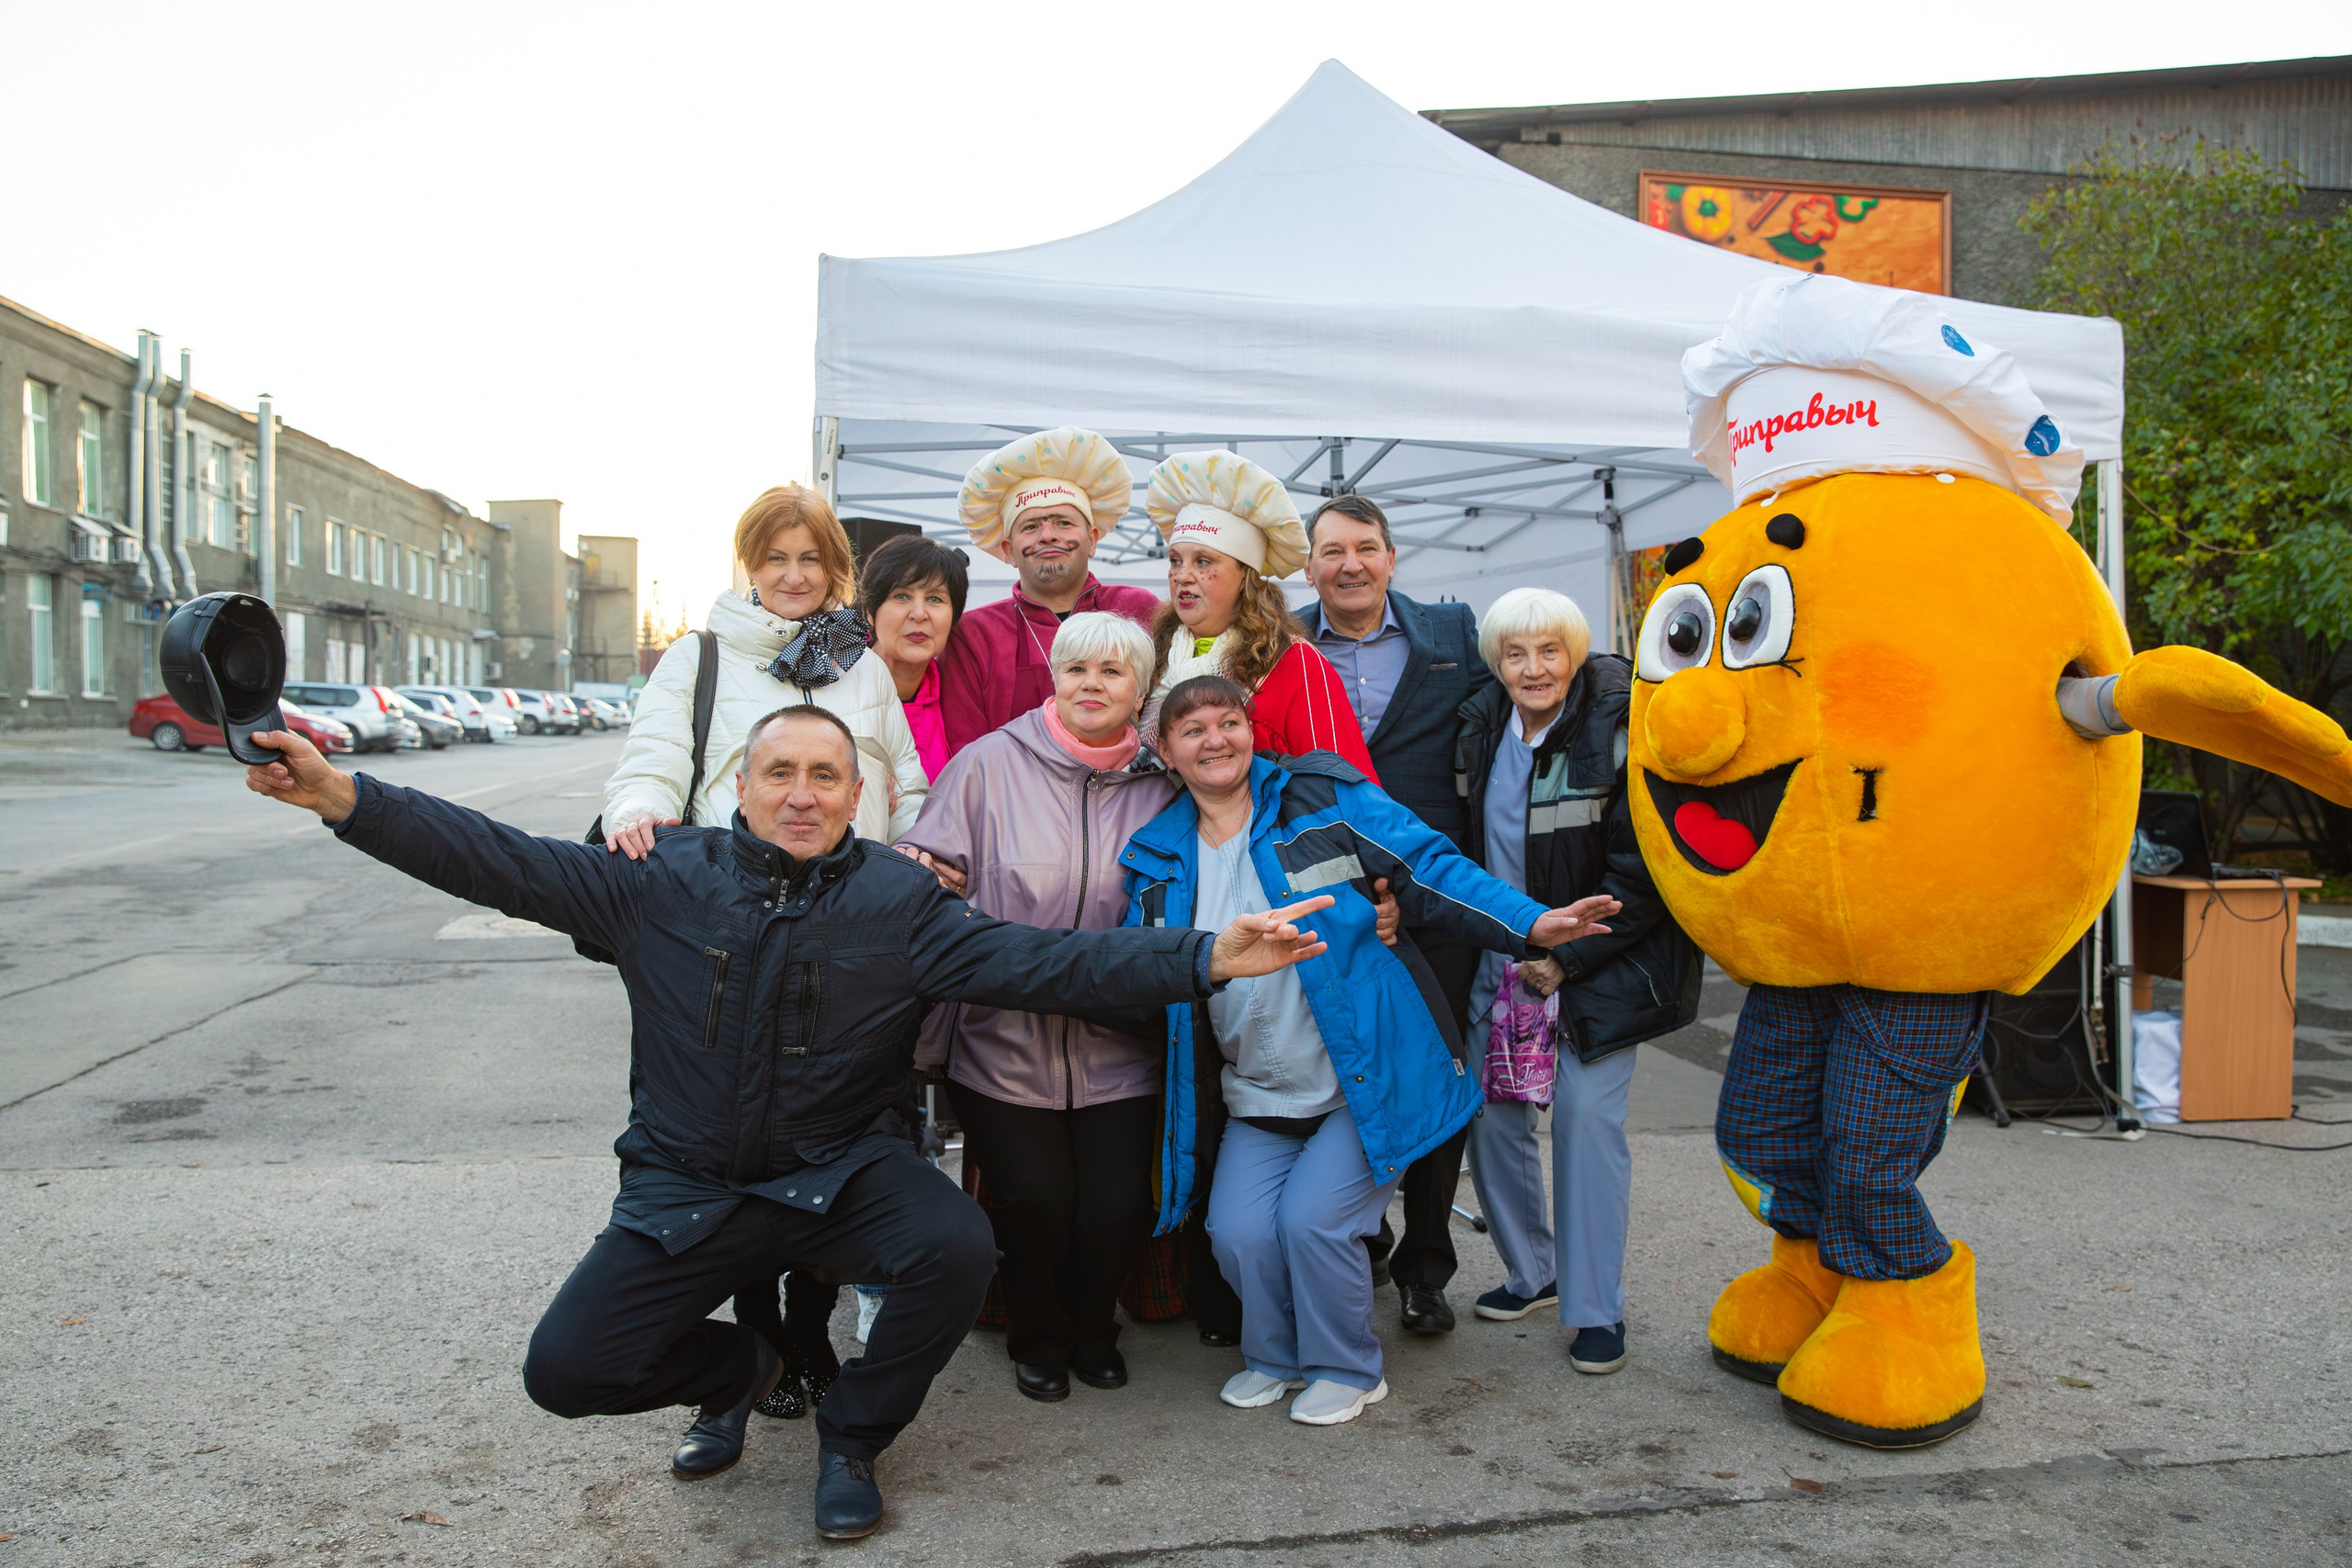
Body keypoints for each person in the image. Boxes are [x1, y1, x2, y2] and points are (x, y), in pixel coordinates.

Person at [240, 707, 1335, 1540]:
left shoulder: (900, 904)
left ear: (857, 795)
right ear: (741, 785)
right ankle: (739, 1374)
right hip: (688, 1185)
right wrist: (344, 796)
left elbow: (1043, 961)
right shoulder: (658, 880)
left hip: (839, 1170)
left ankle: (852, 1437)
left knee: (956, 1244)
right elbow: (495, 858)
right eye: (780, 773)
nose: (801, 795)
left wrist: (1204, 956)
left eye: (824, 776)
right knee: (566, 1374)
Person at [1121, 675, 1620, 1426]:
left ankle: (1346, 1366)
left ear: (1252, 729)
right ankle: (1276, 1356)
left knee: (1314, 1222)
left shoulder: (1320, 796)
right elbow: (1142, 967)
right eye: (1193, 730)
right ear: (1164, 751)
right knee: (1239, 1231)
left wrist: (1530, 923)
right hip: (1258, 1087)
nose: (1215, 740)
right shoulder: (1156, 854)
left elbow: (1431, 865)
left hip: (1363, 1077)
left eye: (1229, 721)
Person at [892, 612, 1177, 1404]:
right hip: (1002, 1037)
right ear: (1056, 676)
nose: (1092, 684)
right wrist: (920, 868)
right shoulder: (988, 764)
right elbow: (926, 871)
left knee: (1118, 1203)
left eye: (1112, 671)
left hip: (1123, 1040)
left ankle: (1094, 1327)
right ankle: (1038, 1337)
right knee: (1034, 1200)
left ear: (1141, 689)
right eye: (1076, 668)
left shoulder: (1164, 783)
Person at [1454, 588, 1701, 1376]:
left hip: (1598, 966)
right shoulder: (1480, 727)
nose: (1534, 668)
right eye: (1516, 654)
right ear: (1496, 663)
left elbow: (1647, 870)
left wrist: (1566, 959)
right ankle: (1535, 1272)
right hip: (1502, 963)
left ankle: (1597, 1309)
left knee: (1585, 1122)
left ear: (1575, 653)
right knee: (1492, 1120)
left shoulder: (1620, 728)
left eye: (1549, 651)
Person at [1297, 492, 1492, 1336]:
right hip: (1328, 895)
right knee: (1348, 1070)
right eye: (1333, 550)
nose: (1351, 564)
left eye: (1366, 547)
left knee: (1440, 1069)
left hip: (1435, 893)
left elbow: (1507, 714)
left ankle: (1426, 1266)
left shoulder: (1453, 633)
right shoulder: (1283, 644)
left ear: (1391, 555)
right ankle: (1363, 1235)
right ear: (1309, 566)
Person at [601, 483, 927, 857]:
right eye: (776, 559)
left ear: (833, 565)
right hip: (730, 887)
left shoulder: (866, 666)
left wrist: (916, 847)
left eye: (811, 559)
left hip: (855, 889)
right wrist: (638, 814)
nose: (794, 577)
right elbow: (651, 767)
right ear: (751, 563)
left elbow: (908, 791)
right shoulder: (696, 658)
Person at [1139, 452, 1375, 777]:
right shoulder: (1154, 656)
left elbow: (1341, 781)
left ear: (1244, 575)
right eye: (1175, 560)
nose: (1182, 576)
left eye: (1203, 561)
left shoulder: (1296, 663)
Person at [938, 427, 1160, 757]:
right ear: (1008, 550)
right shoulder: (974, 635)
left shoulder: (1138, 609)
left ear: (1093, 539)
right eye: (1030, 526)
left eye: (1063, 523)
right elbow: (966, 749)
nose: (1047, 535)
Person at [859, 534, 969, 783]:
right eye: (901, 596)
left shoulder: (960, 695)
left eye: (934, 599)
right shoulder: (837, 687)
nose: (919, 614)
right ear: (870, 612)